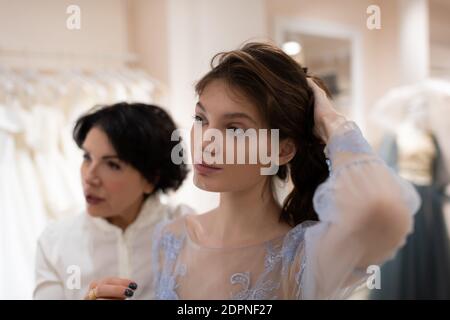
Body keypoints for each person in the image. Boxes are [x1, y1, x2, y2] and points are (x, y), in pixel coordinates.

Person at [91, 42, 420, 300]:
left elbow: (383, 211)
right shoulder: (171, 237)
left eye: (234, 129)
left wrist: (331, 121)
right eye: (201, 120)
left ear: (282, 149)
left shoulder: (303, 253)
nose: (207, 141)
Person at [33, 102, 191, 299]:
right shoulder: (54, 242)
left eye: (112, 165)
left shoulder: (189, 231)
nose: (90, 177)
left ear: (151, 179)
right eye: (87, 157)